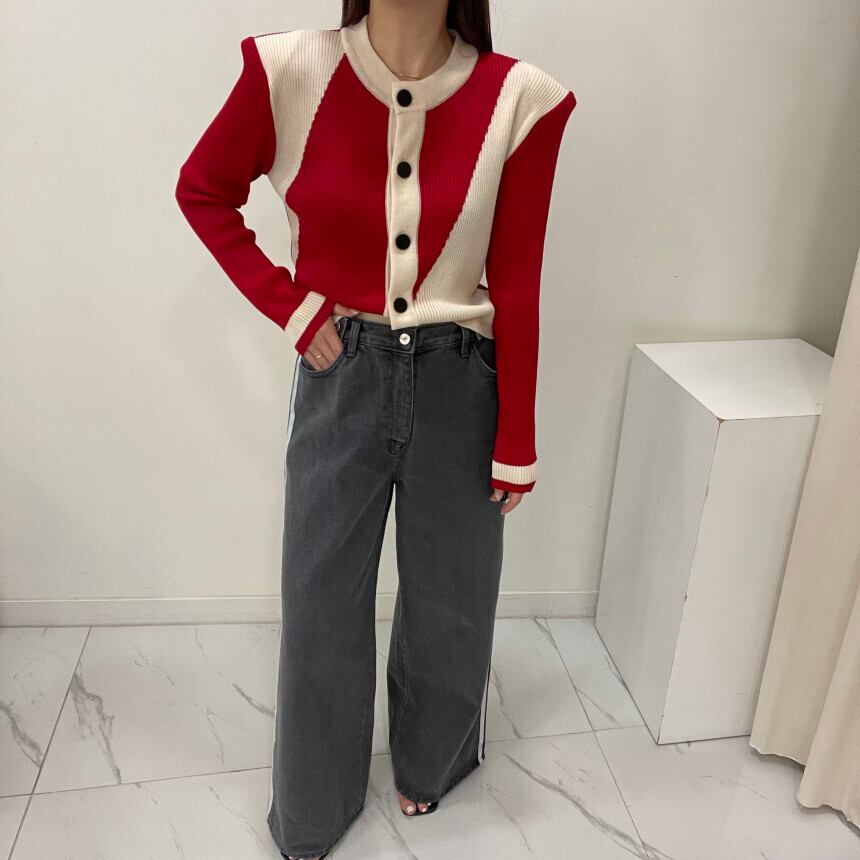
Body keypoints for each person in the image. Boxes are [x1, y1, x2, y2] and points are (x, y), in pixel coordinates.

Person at [175, 1, 576, 856]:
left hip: (462, 380)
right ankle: (313, 804)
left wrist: (518, 434)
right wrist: (291, 307)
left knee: (452, 597)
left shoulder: (522, 99)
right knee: (320, 599)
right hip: (341, 374)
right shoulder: (288, 69)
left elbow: (519, 278)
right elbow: (202, 190)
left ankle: (435, 761)